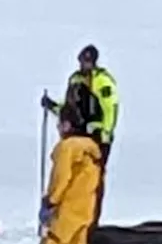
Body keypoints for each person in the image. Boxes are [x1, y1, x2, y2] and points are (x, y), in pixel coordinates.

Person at [24, 105, 104, 244]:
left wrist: (51, 200)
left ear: (67, 125)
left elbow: (61, 177)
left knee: (53, 242)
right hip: (86, 205)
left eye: (60, 124)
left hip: (67, 205)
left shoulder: (67, 148)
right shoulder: (90, 149)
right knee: (77, 243)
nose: (58, 128)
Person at [41, 43, 118, 225]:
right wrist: (52, 106)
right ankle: (70, 220)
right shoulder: (75, 80)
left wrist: (104, 131)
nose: (85, 65)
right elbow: (70, 108)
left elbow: (110, 109)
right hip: (76, 137)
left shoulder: (102, 81)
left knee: (92, 181)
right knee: (71, 179)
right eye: (83, 61)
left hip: (96, 139)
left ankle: (90, 223)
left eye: (88, 61)